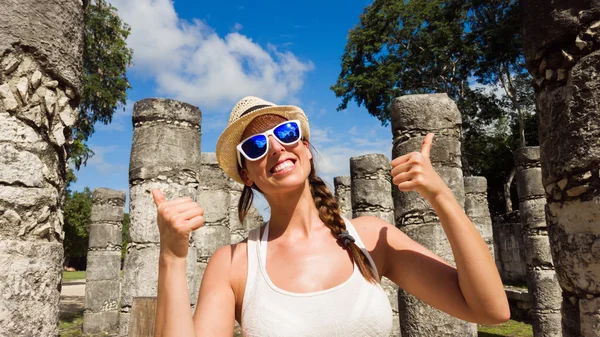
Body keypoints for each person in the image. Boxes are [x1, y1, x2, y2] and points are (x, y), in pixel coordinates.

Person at [151, 96, 510, 337]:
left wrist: (442, 196)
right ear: (247, 175)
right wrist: (171, 257)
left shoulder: (370, 236)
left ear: (304, 148)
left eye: (285, 132)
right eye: (256, 146)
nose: (275, 147)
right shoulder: (233, 264)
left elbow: (490, 309)